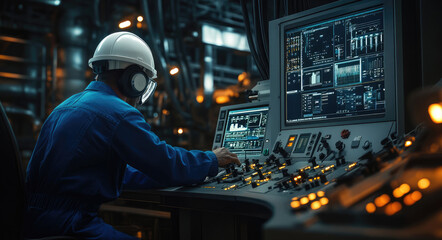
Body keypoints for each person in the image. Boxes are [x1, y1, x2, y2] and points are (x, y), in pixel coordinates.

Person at [24, 31, 240, 239]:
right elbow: (166, 162)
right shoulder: (118, 113)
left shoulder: (64, 107)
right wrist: (211, 159)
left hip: (32, 220)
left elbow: (119, 174)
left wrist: (161, 174)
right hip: (71, 223)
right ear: (135, 79)